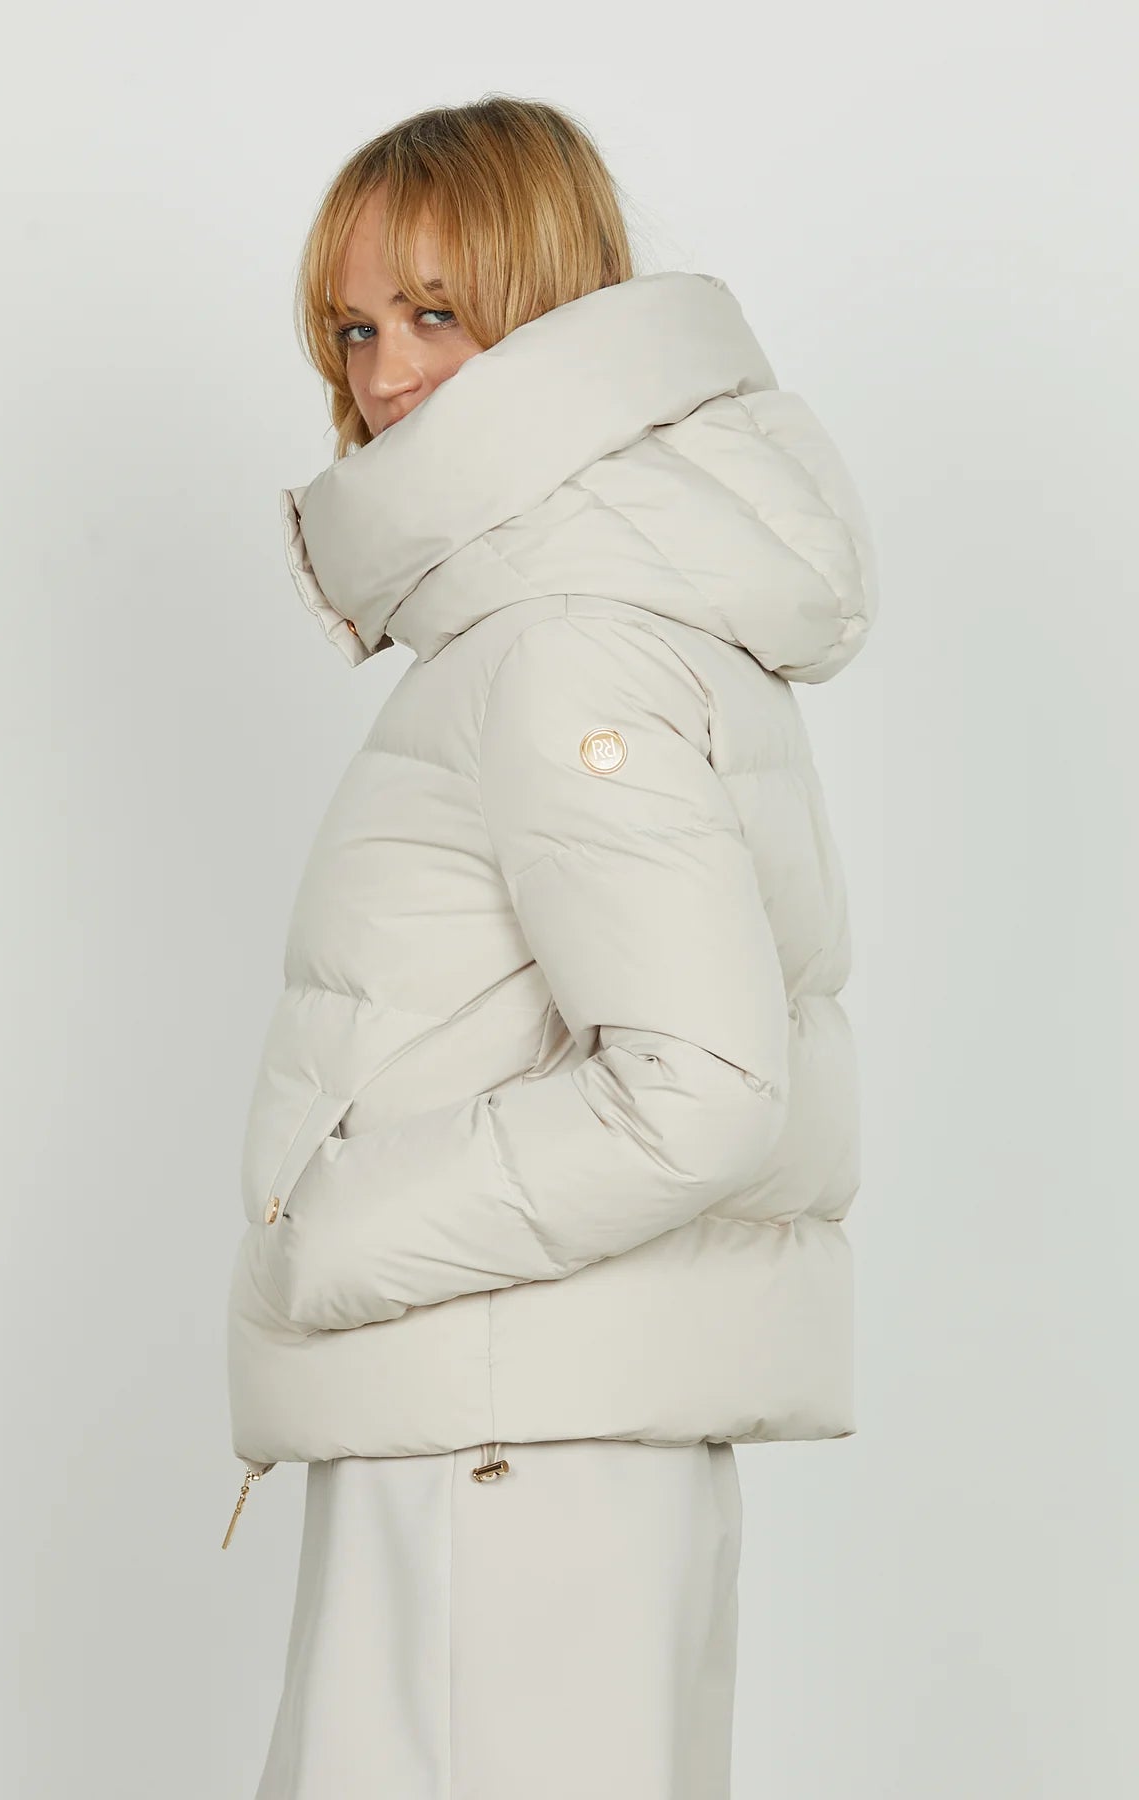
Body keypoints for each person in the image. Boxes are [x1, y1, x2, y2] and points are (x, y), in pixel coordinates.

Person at [223, 93, 878, 1800]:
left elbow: (705, 1084)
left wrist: (331, 1235)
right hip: (532, 1438)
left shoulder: (563, 639)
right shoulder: (612, 608)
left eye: (435, 312)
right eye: (353, 330)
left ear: (553, 308)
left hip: (499, 1458)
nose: (383, 378)